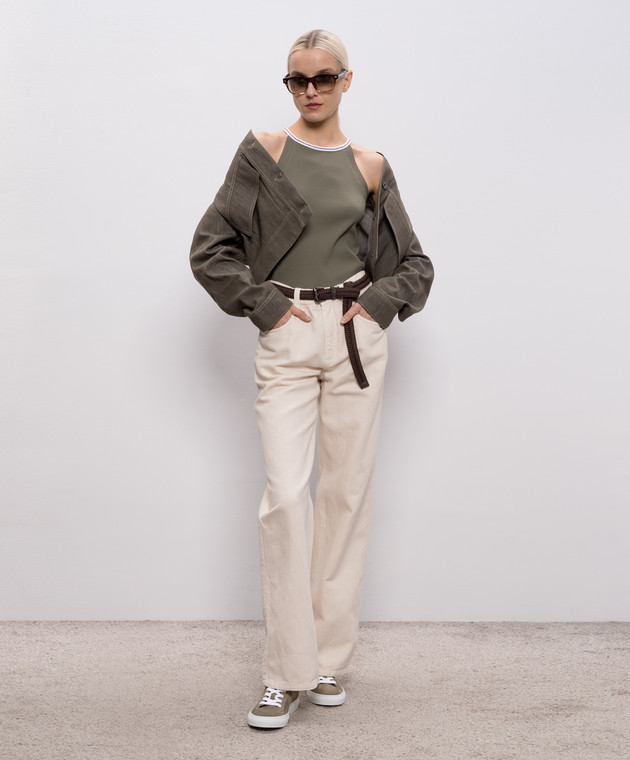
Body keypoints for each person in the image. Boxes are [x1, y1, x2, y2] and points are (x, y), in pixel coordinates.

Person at [190, 29, 434, 729]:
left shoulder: (370, 165)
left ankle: (326, 661)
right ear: (289, 84)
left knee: (345, 497)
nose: (311, 90)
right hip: (288, 331)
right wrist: (266, 307)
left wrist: (379, 305)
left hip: (355, 337)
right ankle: (283, 674)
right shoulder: (263, 152)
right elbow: (211, 249)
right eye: (298, 80)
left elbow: (415, 264)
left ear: (346, 80)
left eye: (324, 78)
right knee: (286, 498)